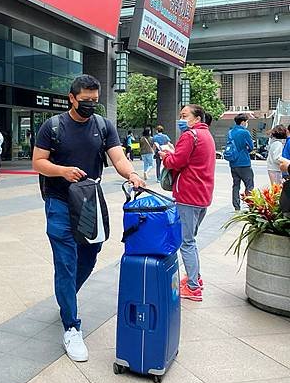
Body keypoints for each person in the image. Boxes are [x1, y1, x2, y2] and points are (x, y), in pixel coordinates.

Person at [33, 74, 145, 362]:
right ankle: (71, 326)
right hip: (59, 203)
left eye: (95, 101)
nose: (90, 106)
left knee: (91, 254)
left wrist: (132, 174)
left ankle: (65, 295)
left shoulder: (103, 126)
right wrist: (63, 171)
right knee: (66, 263)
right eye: (85, 101)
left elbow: (118, 158)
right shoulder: (53, 127)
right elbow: (39, 162)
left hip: (89, 202)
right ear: (72, 98)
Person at [159, 104, 215, 302]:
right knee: (191, 239)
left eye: (184, 115)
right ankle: (195, 278)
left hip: (188, 195)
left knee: (186, 242)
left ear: (196, 118)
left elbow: (177, 162)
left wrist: (166, 157)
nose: (181, 118)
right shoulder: (207, 136)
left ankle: (193, 287)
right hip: (202, 195)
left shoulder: (190, 136)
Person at [227, 113, 255, 211]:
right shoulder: (245, 132)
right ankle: (251, 206)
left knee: (236, 185)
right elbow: (251, 147)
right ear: (243, 122)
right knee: (249, 185)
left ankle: (236, 207)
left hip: (233, 163)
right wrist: (246, 150)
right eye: (247, 122)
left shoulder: (230, 132)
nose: (247, 123)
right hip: (244, 163)